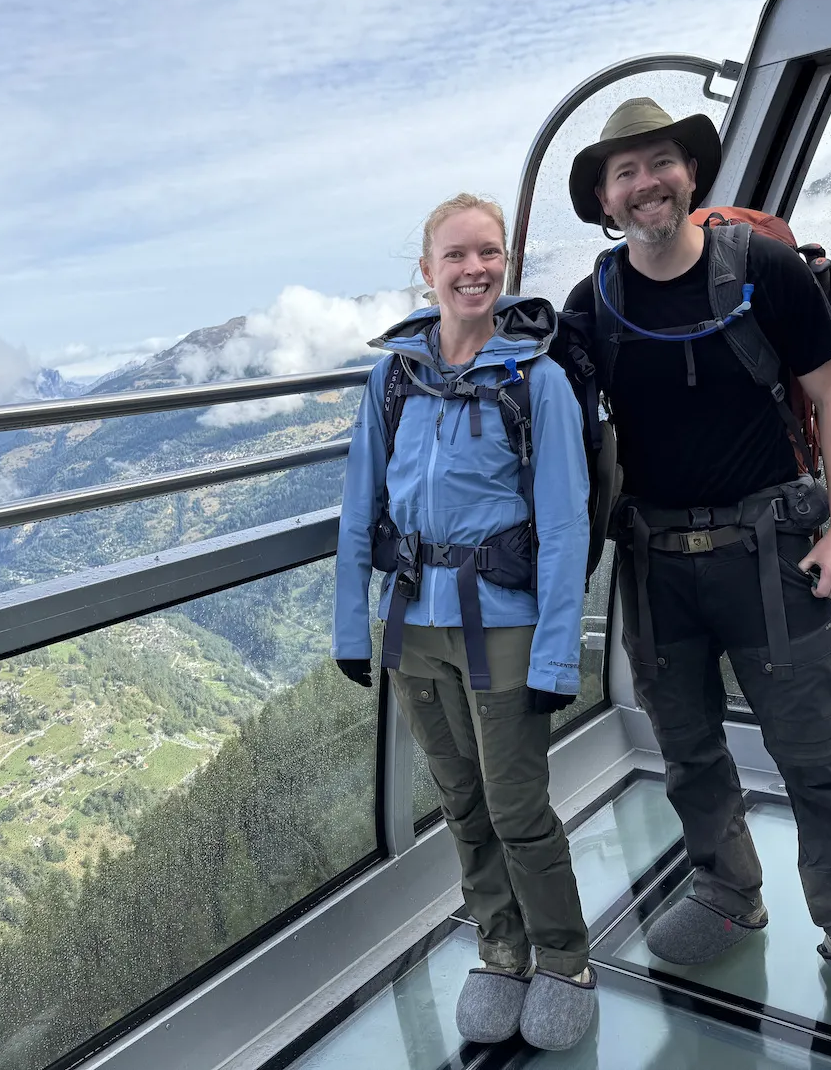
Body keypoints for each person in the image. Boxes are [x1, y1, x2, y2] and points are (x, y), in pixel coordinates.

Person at [552, 99, 831, 1026]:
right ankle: (729, 892)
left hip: (771, 552)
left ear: (691, 174)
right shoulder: (592, 303)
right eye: (623, 172)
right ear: (604, 201)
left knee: (813, 752)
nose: (646, 183)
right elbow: (542, 411)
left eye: (660, 162)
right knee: (688, 749)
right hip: (655, 560)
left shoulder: (763, 269)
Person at [332, 193, 596, 1051]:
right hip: (412, 621)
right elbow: (358, 508)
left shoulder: (537, 381)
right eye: (456, 255)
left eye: (488, 253)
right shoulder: (393, 380)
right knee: (460, 801)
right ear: (427, 270)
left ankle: (565, 958)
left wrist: (557, 655)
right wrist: (351, 627)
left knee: (516, 804)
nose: (474, 268)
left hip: (505, 624)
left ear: (504, 264)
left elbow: (565, 526)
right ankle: (501, 947)